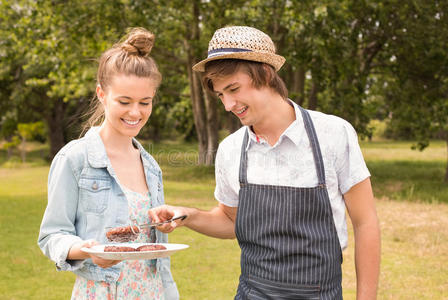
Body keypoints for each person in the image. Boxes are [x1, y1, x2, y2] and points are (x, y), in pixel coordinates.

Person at [149, 26, 380, 299]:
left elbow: (365, 223)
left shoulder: (333, 134)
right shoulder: (231, 150)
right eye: (221, 94)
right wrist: (186, 215)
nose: (228, 104)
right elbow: (229, 221)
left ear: (266, 74)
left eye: (234, 89)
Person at [38, 28, 179, 299]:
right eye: (124, 101)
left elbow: (151, 249)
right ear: (102, 94)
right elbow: (52, 235)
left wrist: (161, 225)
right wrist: (86, 250)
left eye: (145, 102)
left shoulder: (151, 167)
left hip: (154, 292)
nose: (135, 112)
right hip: (102, 292)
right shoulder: (75, 159)